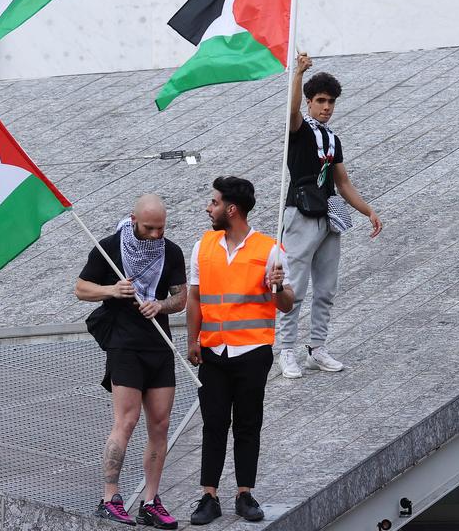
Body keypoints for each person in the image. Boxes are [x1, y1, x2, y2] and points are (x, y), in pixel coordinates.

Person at [186, 176, 294, 525]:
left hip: (252, 351)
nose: (208, 207)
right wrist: (192, 340)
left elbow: (287, 304)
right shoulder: (202, 246)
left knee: (248, 423)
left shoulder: (270, 250)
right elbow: (194, 298)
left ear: (231, 209)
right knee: (213, 424)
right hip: (213, 351)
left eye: (214, 202)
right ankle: (208, 496)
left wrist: (277, 287)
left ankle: (244, 494)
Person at [75, 194, 187, 528]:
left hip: (158, 343)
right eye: (149, 228)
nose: (155, 234)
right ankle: (110, 497)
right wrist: (112, 291)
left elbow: (181, 296)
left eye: (161, 228)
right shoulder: (109, 247)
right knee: (127, 420)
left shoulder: (172, 251)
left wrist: (161, 306)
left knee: (161, 424)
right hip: (124, 345)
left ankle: (151, 500)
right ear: (133, 219)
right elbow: (81, 289)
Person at [276, 52, 382, 379]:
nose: (326, 107)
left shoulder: (332, 139)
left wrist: (367, 210)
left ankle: (317, 347)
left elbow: (343, 182)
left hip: (329, 214)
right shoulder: (300, 129)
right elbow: (291, 111)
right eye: (321, 100)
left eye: (331, 102)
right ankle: (286, 351)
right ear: (310, 101)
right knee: (294, 285)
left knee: (327, 288)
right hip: (300, 212)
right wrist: (297, 74)